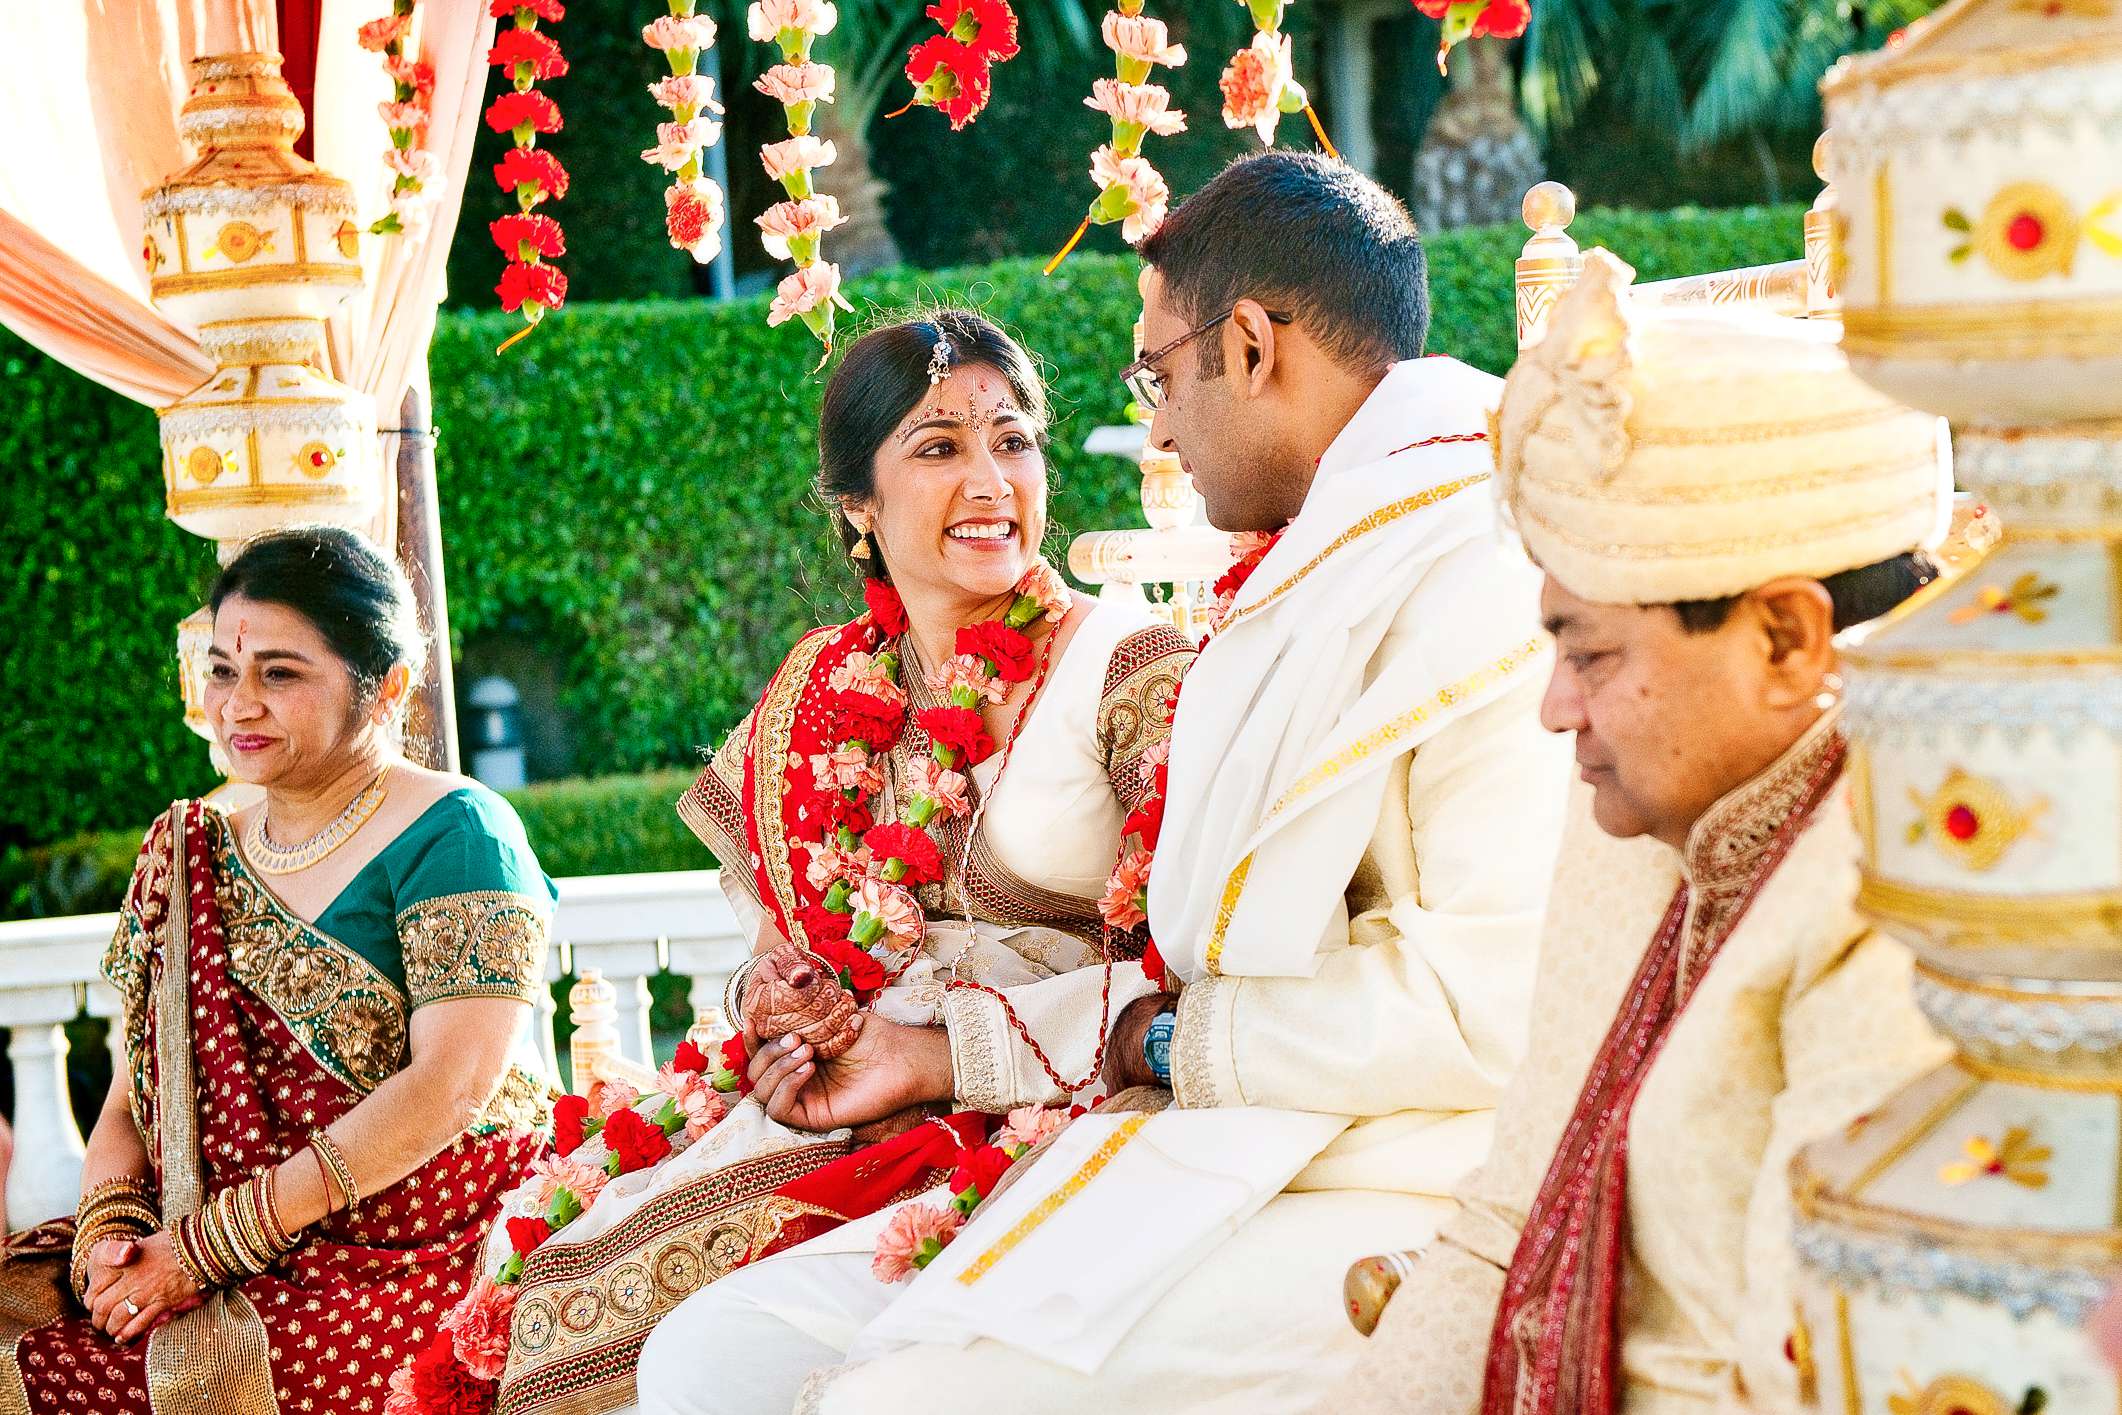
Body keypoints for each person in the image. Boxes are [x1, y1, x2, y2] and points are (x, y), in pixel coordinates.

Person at [639, 151, 1572, 1415]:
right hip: (1215, 1128)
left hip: (1394, 1173)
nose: (1157, 425)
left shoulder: (1469, 568)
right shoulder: (1322, 563)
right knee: (712, 1355)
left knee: (887, 1395)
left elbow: (1485, 1009)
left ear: (1246, 346)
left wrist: (1174, 1042)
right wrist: (920, 1046)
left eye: (1158, 372)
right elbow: (1194, 976)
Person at [502, 310, 1195, 1415]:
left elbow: (1196, 986)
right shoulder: (823, 682)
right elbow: (770, 938)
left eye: (1012, 440)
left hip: (1056, 1113)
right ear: (858, 506)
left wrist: (930, 1052)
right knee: (547, 1287)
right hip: (844, 1106)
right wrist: (780, 1009)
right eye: (938, 446)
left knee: (706, 1359)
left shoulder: (1127, 663)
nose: (990, 479)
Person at [1322, 251, 1955, 1415]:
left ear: (1785, 640)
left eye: (1590, 653)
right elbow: (1508, 1218)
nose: (1553, 707)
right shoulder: (1646, 797)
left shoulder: (1918, 886)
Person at [0, 524, 556, 1412]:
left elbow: (452, 1085)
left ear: (387, 689)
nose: (238, 704)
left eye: (280, 673)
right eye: (222, 669)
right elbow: (131, 1097)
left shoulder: (458, 830)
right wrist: (113, 1234)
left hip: (412, 1253)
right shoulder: (192, 851)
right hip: (206, 1250)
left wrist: (206, 1251)